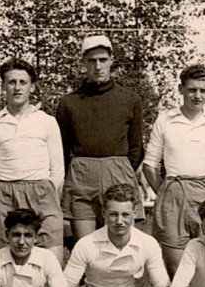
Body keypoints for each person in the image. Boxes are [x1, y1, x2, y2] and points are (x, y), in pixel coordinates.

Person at [143, 65, 205, 277]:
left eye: (203, 90)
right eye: (192, 90)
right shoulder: (165, 119)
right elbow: (150, 165)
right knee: (176, 268)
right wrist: (166, 192)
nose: (197, 95)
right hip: (173, 194)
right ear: (181, 89)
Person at [56, 34, 144, 242]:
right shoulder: (69, 103)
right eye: (92, 60)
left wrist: (120, 169)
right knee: (85, 246)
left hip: (118, 173)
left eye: (103, 60)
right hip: (81, 177)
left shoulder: (130, 99)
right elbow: (62, 148)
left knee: (118, 243)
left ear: (112, 60)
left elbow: (136, 146)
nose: (98, 66)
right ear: (84, 63)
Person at [0, 58, 65, 264]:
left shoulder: (47, 121)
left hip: (43, 194)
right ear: (3, 86)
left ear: (32, 86)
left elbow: (58, 171)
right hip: (6, 195)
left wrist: (42, 191)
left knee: (51, 261)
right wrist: (7, 191)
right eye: (11, 82)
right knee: (6, 262)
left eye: (23, 82)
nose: (17, 88)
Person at [63, 183, 168, 287]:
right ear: (104, 213)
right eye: (113, 214)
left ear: (135, 213)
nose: (119, 221)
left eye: (125, 215)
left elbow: (164, 285)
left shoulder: (147, 242)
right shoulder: (87, 243)